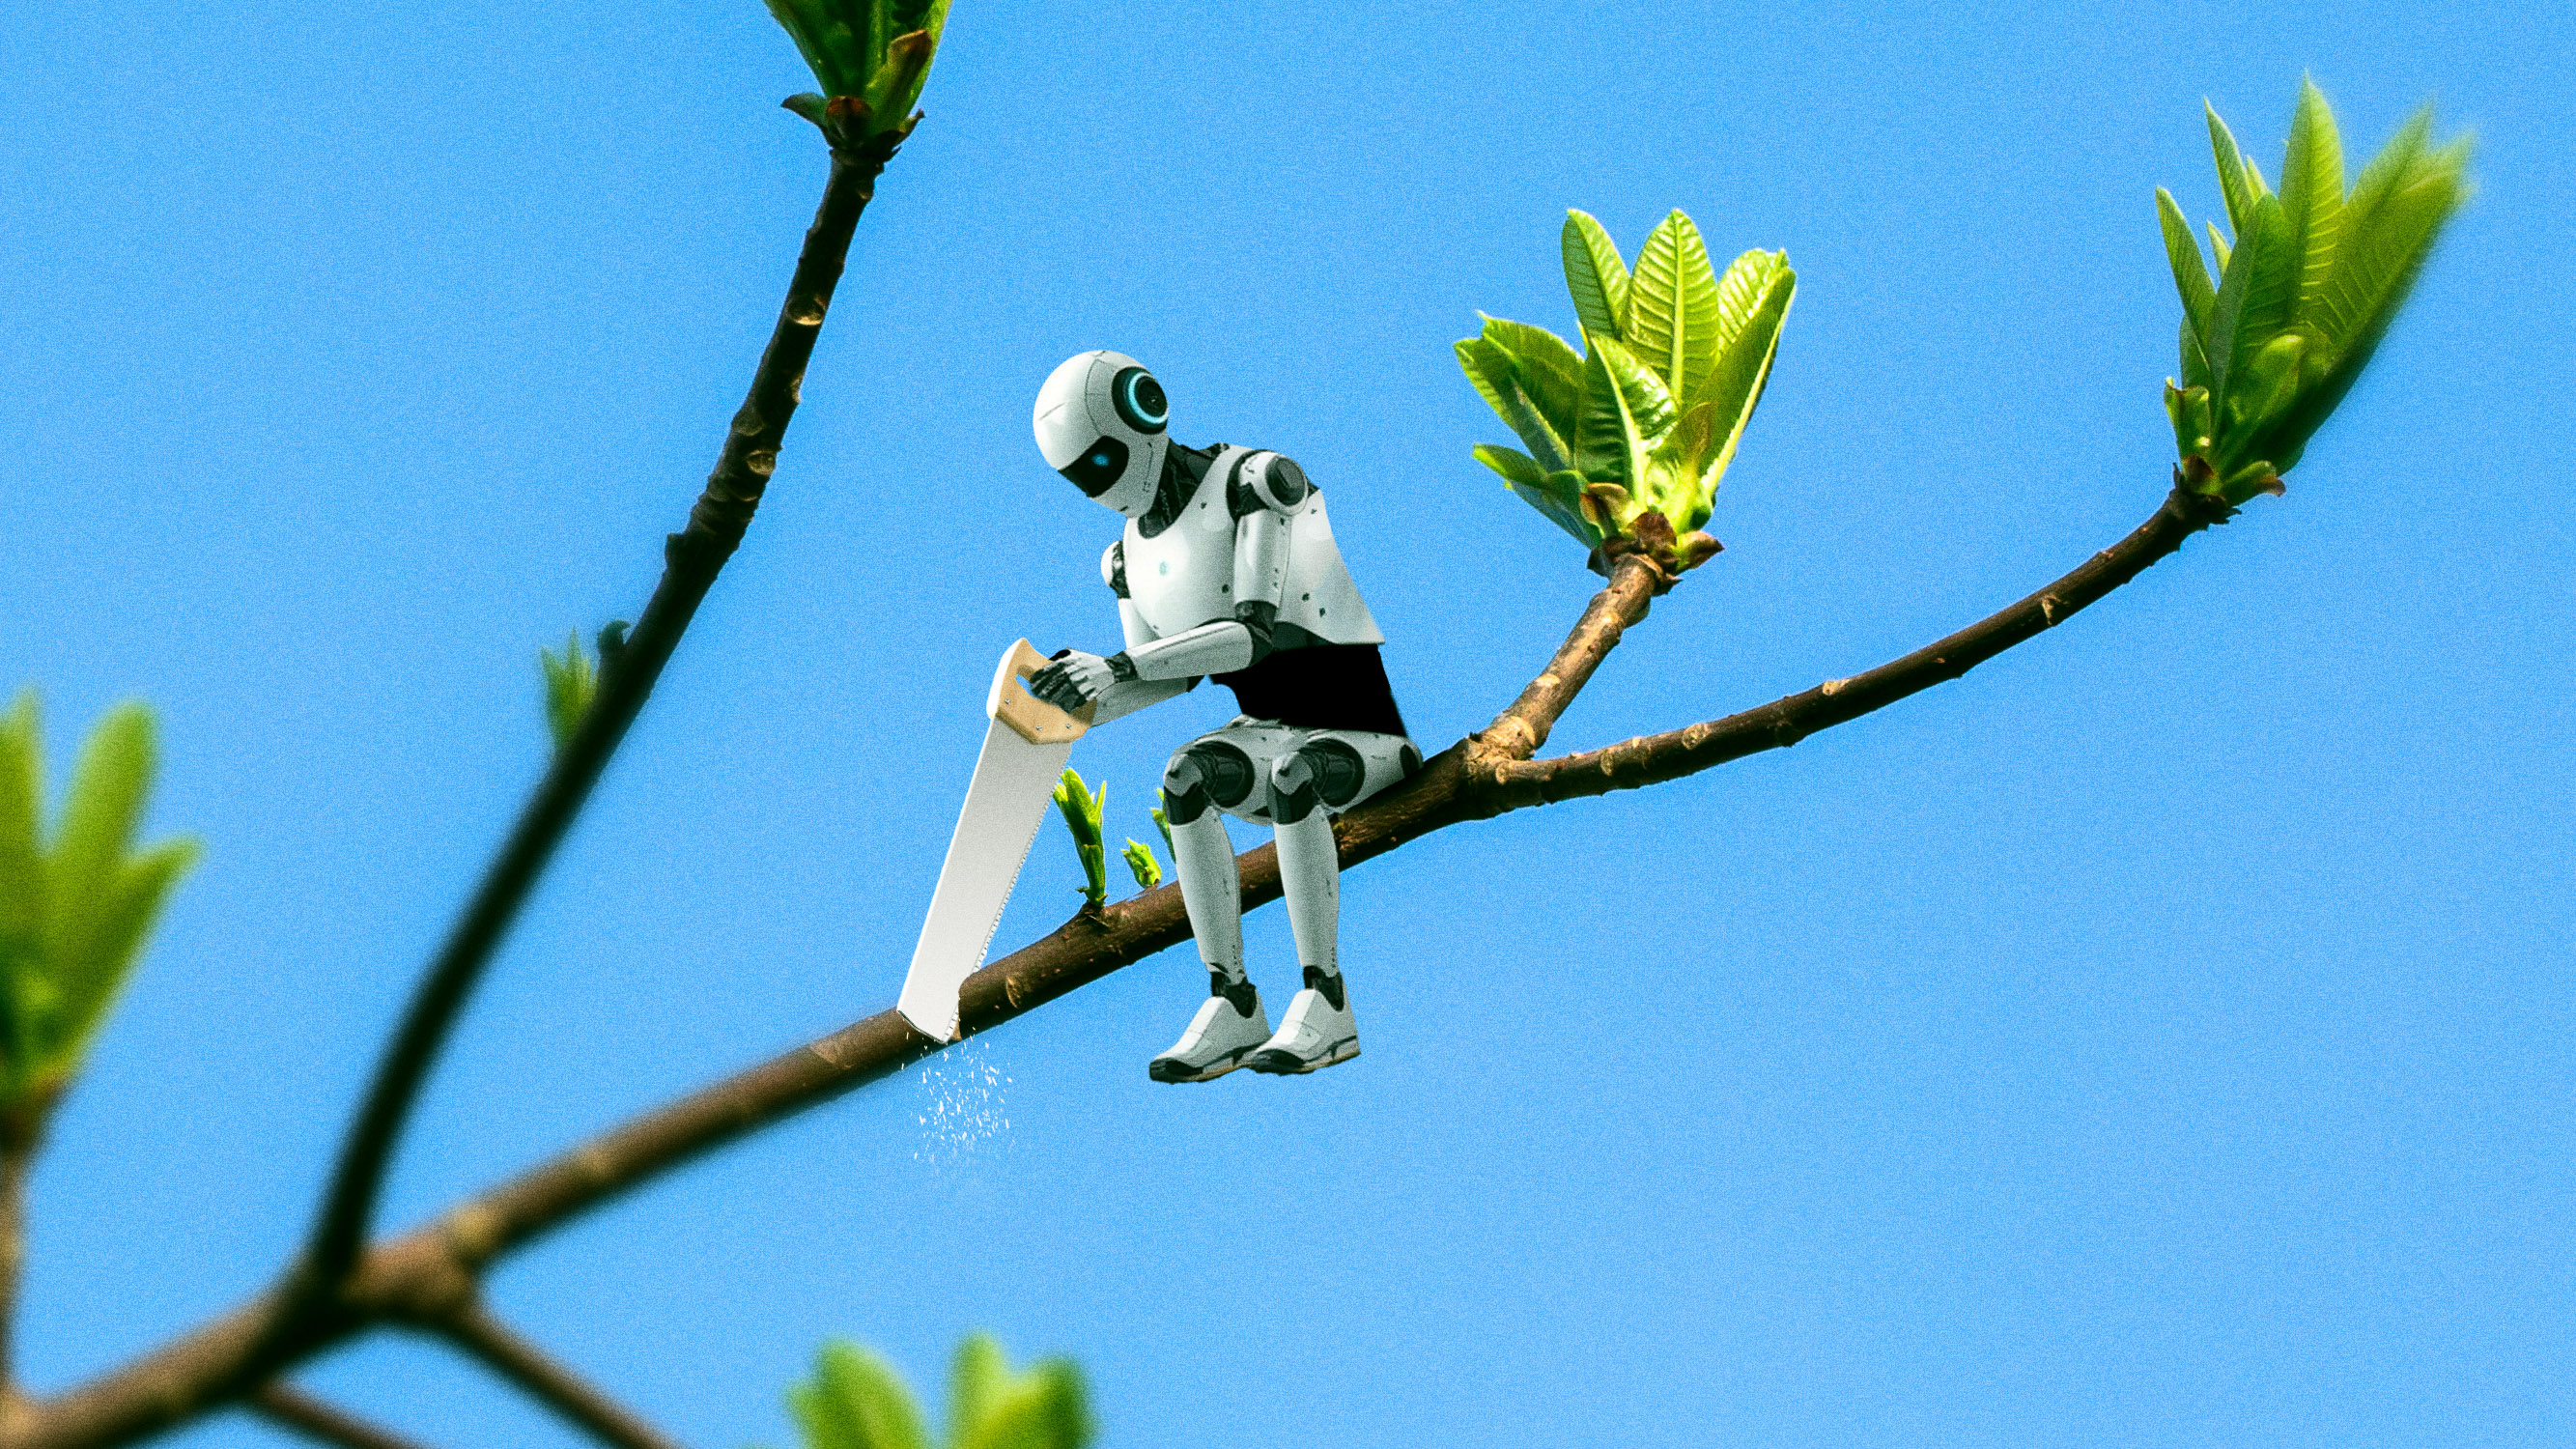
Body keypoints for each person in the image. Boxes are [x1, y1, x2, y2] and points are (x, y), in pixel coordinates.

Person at [1026, 351, 1418, 1081]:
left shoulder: (1255, 484)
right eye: (1083, 476)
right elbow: (1171, 678)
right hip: (1268, 734)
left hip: (1362, 733)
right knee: (1185, 776)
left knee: (1297, 774)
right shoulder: (1124, 557)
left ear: (1144, 412)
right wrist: (1074, 707)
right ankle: (1233, 1001)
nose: (1103, 485)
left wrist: (1116, 667)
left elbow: (1250, 636)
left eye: (1105, 459)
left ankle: (1327, 1000)